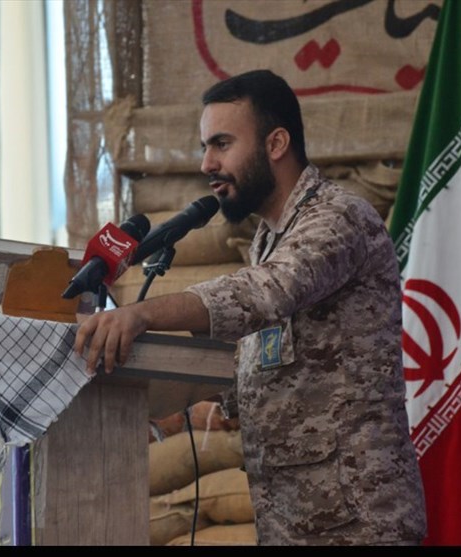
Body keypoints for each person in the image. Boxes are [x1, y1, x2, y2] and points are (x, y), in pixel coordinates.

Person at [73, 69, 427, 545]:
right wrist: (166, 396)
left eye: (221, 144)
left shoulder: (339, 217)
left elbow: (267, 292)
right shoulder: (268, 239)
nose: (207, 164)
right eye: (205, 147)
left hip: (359, 521)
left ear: (276, 143)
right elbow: (274, 364)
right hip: (295, 521)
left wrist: (142, 315)